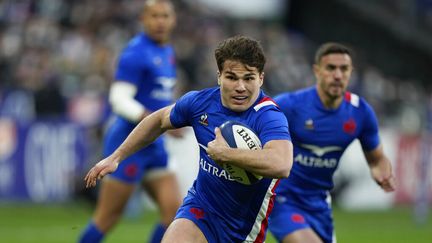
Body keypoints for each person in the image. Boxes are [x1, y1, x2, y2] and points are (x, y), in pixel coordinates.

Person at [84, 35, 294, 242]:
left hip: (243, 230)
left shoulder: (269, 116)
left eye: (249, 78)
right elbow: (158, 120)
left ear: (261, 78)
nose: (240, 87)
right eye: (231, 77)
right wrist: (117, 157)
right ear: (219, 76)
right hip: (201, 209)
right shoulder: (200, 103)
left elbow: (282, 164)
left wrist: (227, 154)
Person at [268, 42, 396, 243]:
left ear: (351, 72)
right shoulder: (290, 105)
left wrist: (381, 170)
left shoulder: (360, 112)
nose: (337, 75)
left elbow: (377, 158)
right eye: (331, 68)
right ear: (317, 71)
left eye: (344, 69)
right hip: (282, 199)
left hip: (319, 204)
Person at [79, 1, 182, 242]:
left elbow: (160, 96)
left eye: (165, 16)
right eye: (154, 16)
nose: (160, 21)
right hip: (128, 143)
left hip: (155, 144)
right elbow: (119, 100)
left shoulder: (167, 52)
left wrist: (172, 121)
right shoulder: (135, 53)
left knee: (174, 215)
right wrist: (159, 121)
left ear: (173, 20)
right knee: (107, 217)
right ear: (143, 20)